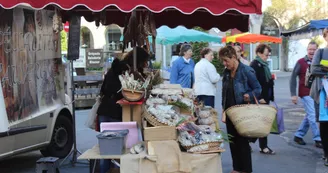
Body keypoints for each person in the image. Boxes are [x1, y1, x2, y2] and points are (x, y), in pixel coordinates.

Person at [96, 47, 150, 173]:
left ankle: (105, 170)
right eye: (144, 61)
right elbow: (127, 93)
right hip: (116, 111)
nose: (145, 64)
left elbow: (103, 89)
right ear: (139, 60)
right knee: (123, 148)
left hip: (104, 110)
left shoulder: (114, 68)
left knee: (105, 149)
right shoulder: (127, 71)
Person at [219, 46, 262, 173]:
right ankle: (236, 168)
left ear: (233, 57)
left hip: (243, 112)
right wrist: (223, 109)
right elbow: (224, 92)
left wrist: (249, 95)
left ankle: (246, 169)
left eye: (226, 60)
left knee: (242, 142)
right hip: (230, 110)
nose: (224, 64)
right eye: (223, 61)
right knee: (232, 140)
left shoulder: (247, 71)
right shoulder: (226, 72)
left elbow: (258, 89)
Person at [290, 41, 322, 148]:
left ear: (317, 50)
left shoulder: (320, 62)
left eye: (314, 49)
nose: (312, 51)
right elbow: (292, 78)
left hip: (317, 92)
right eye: (310, 49)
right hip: (305, 93)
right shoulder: (300, 62)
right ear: (307, 50)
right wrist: (293, 94)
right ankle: (318, 139)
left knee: (309, 115)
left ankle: (298, 135)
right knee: (313, 115)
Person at [250, 44, 275, 155]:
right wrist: (259, 98)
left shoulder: (264, 65)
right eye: (265, 55)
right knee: (261, 123)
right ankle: (261, 146)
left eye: (268, 55)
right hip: (260, 99)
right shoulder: (255, 64)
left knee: (262, 123)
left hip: (266, 98)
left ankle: (253, 143)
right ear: (259, 53)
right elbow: (252, 83)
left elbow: (267, 82)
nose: (267, 57)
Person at [310, 27, 328, 166]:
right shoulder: (320, 51)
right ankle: (326, 154)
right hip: (323, 92)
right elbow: (314, 69)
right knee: (325, 123)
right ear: (325, 37)